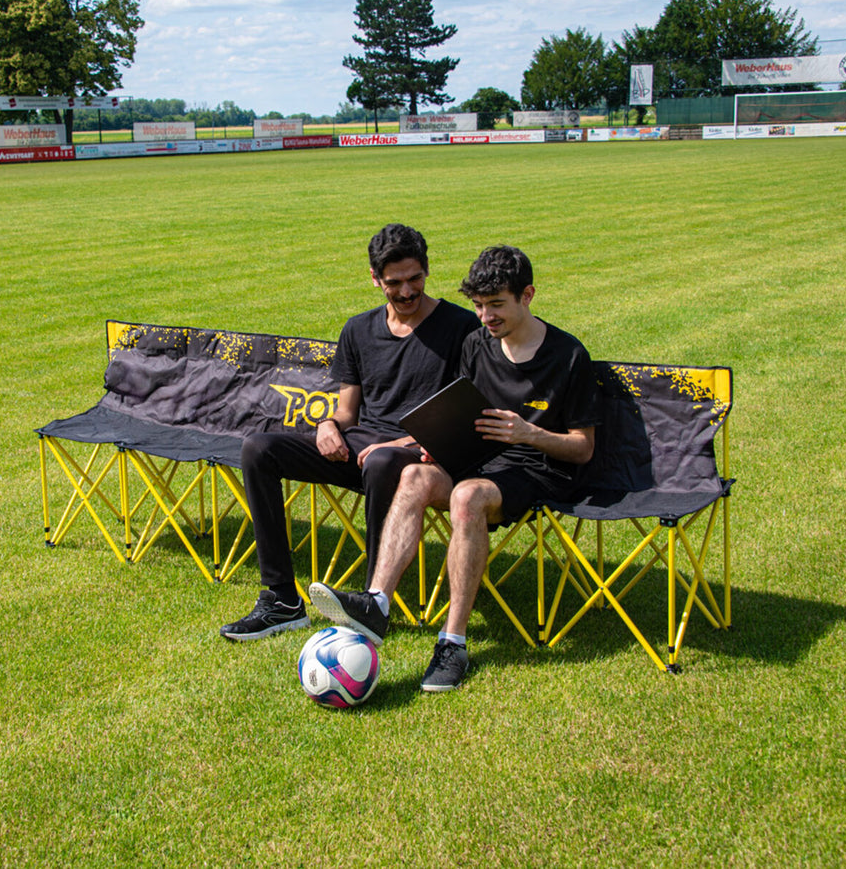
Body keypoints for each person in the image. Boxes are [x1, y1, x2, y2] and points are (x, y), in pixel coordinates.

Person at [310, 245, 600, 691]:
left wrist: (529, 434)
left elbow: (582, 449)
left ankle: (453, 642)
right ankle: (376, 603)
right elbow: (463, 415)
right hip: (480, 460)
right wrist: (437, 445)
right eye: (479, 306)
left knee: (467, 495)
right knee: (414, 475)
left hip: (538, 470)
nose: (486, 317)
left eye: (497, 305)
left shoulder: (567, 355)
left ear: (528, 295)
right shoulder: (476, 344)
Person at [219, 224, 481, 641]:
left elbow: (464, 415)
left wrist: (400, 442)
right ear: (375, 279)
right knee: (258, 449)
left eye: (415, 279)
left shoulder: (462, 327)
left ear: (427, 271)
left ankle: (371, 603)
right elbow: (347, 411)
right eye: (394, 283)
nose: (407, 291)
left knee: (380, 460)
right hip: (361, 447)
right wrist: (327, 426)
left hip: (420, 454)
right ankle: (282, 599)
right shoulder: (358, 329)